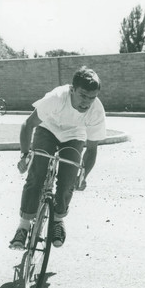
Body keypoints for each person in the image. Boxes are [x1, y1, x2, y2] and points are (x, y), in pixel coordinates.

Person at [9, 66, 107, 250]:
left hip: (74, 135)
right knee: (36, 175)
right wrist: (25, 155)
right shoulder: (56, 98)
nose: (87, 102)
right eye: (83, 95)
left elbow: (92, 149)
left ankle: (58, 220)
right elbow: (28, 124)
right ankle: (22, 227)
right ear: (72, 90)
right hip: (48, 129)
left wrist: (83, 176)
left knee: (68, 180)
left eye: (92, 97)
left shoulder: (97, 111)